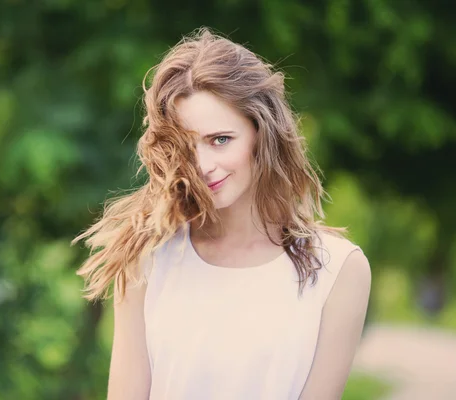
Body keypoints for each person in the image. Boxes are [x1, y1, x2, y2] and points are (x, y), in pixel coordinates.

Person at [71, 27, 371, 400]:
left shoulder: (337, 269)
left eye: (220, 140)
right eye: (186, 145)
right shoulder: (148, 258)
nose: (203, 165)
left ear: (262, 133)